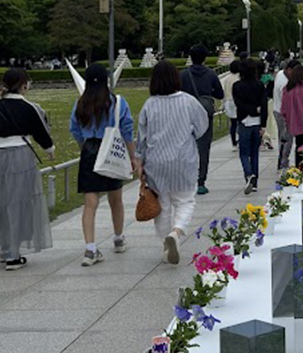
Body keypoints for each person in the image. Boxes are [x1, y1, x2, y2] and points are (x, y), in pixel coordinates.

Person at [0, 68, 54, 271]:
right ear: (23, 85)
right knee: (19, 203)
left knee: (1, 201)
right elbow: (41, 134)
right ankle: (13, 254)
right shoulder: (29, 108)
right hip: (21, 157)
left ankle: (4, 247)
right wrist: (50, 150)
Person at [136, 60, 209, 264]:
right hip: (183, 160)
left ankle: (165, 242)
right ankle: (176, 233)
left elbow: (141, 137)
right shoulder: (188, 101)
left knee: (162, 204)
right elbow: (202, 126)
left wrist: (139, 161)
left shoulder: (149, 104)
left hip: (156, 162)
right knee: (185, 200)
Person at [69, 64, 135, 266]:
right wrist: (133, 157)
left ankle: (90, 248)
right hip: (111, 151)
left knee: (90, 203)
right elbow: (127, 130)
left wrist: (85, 145)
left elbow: (74, 128)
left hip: (90, 150)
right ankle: (118, 237)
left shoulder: (80, 103)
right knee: (116, 199)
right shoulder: (117, 102)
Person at [180, 44, 223, 195]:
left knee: (186, 147)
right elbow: (220, 94)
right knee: (203, 148)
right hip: (205, 113)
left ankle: (187, 178)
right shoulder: (210, 74)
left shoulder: (184, 75)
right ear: (205, 57)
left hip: (186, 114)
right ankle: (201, 180)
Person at [233, 60, 268, 195]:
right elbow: (264, 105)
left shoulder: (237, 86)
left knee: (243, 153)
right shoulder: (259, 85)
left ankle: (248, 175)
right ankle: (255, 182)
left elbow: (239, 104)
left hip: (244, 121)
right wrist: (263, 122)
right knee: (254, 153)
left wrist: (251, 110)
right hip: (257, 122)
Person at [273, 60, 300, 172]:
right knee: (287, 138)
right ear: (289, 70)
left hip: (277, 109)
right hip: (284, 113)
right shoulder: (285, 84)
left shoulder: (280, 74)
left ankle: (282, 160)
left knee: (282, 137)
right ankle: (283, 162)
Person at [221, 60, 241, 152]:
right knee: (241, 122)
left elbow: (224, 92)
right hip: (237, 101)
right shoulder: (239, 77)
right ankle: (240, 140)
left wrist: (223, 104)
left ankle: (233, 143)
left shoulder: (227, 78)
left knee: (233, 123)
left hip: (228, 102)